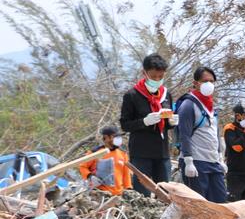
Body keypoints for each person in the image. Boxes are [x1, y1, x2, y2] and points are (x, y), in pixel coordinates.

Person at [120, 53, 177, 194]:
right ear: (144, 73)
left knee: (164, 191)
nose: (157, 80)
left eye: (160, 76)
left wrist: (171, 123)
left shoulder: (166, 95)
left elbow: (167, 123)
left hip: (162, 151)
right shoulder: (131, 95)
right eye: (153, 77)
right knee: (142, 192)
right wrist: (144, 121)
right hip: (141, 152)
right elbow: (125, 124)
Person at [175, 66, 227, 203]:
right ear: (196, 83)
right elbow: (184, 134)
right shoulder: (188, 105)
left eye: (211, 81)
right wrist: (188, 161)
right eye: (205, 81)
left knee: (220, 202)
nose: (209, 84)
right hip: (197, 162)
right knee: (198, 205)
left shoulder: (211, 107)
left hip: (213, 161)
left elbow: (215, 133)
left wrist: (220, 157)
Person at [79, 126, 132, 196]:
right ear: (106, 137)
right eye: (114, 136)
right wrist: (90, 176)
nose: (118, 139)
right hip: (100, 193)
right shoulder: (95, 152)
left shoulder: (123, 154)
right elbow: (82, 166)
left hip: (118, 194)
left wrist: (128, 189)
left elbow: (126, 175)